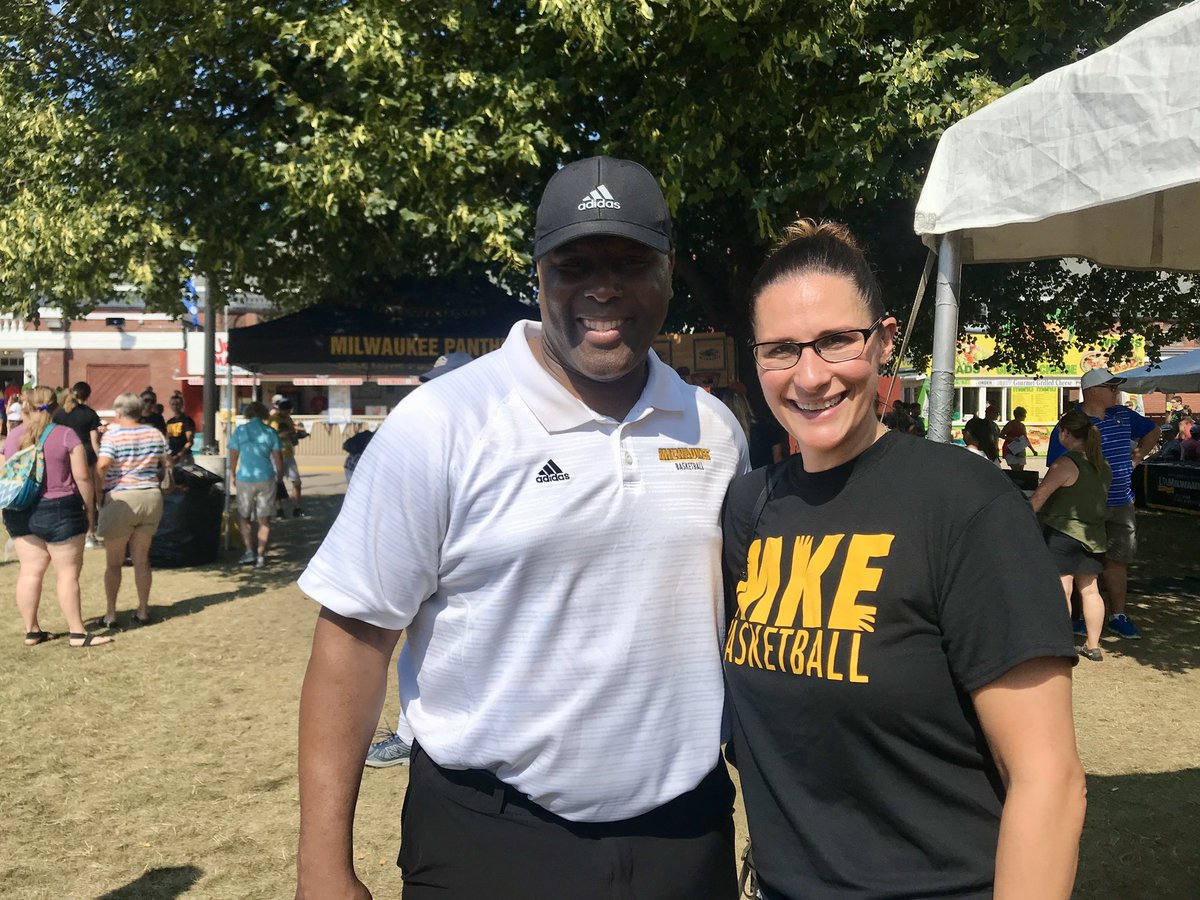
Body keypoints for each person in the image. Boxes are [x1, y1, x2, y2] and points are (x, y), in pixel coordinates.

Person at [295, 155, 749, 899]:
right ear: (539, 275)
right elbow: (353, 642)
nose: (603, 288)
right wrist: (323, 868)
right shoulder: (443, 423)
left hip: (683, 839)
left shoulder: (714, 429)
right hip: (491, 843)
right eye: (576, 265)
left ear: (669, 273)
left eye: (630, 262)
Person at [723, 219, 1084, 899]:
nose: (810, 375)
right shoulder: (748, 509)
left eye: (836, 341)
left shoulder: (964, 505)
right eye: (780, 350)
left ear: (884, 341)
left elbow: (1051, 782)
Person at [1047, 368, 1158, 639]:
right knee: (1078, 564)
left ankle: (1118, 615)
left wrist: (1137, 457)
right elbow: (1056, 466)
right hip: (1083, 508)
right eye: (1111, 387)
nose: (1116, 392)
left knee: (1117, 560)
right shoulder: (1072, 423)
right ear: (1093, 391)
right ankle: (1078, 618)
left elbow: (1153, 431)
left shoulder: (1123, 415)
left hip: (1121, 501)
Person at [2, 387, 110, 648]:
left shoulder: (13, 436)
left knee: (29, 571)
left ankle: (32, 630)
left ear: (25, 406)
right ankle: (76, 632)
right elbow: (83, 477)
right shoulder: (65, 435)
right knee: (67, 574)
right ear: (56, 407)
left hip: (20, 511)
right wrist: (89, 510)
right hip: (61, 508)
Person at [1030, 411, 1113, 662]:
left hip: (1062, 533)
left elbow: (1038, 499)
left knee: (1062, 589)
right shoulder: (1102, 464)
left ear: (1065, 433)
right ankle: (1093, 645)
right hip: (1094, 534)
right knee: (1090, 590)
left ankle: (1061, 643)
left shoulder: (1065, 464)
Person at [95, 391, 169, 628]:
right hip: (150, 496)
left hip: (122, 497)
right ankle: (143, 610)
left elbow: (103, 464)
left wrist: (99, 491)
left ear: (117, 412)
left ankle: (110, 614)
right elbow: (166, 463)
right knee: (142, 559)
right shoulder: (154, 433)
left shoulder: (113, 436)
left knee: (114, 562)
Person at [228, 401, 283, 568]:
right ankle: (260, 555)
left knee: (244, 516)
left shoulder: (240, 431)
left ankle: (249, 551)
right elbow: (278, 459)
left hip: (245, 477)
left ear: (248, 414)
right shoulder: (270, 432)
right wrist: (279, 476)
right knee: (264, 519)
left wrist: (232, 474)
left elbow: (234, 455)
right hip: (266, 476)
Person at [54, 381, 103, 548]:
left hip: (64, 455)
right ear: (88, 395)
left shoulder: (59, 414)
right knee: (89, 497)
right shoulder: (90, 414)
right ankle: (90, 533)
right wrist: (101, 459)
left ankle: (66, 529)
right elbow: (94, 441)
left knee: (66, 492)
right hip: (86, 455)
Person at [268, 396, 308, 517]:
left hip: (289, 454)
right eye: (285, 410)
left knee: (297, 482)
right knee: (277, 483)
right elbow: (273, 436)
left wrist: (298, 436)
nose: (287, 412)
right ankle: (279, 509)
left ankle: (297, 507)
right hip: (275, 454)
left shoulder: (289, 419)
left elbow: (292, 438)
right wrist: (290, 433)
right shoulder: (273, 420)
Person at [1000, 406, 1038, 470]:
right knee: (1015, 469)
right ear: (1019, 415)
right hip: (1010, 449)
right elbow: (1001, 435)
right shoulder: (1010, 424)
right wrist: (1012, 439)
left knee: (1020, 470)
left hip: (1020, 449)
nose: (1025, 417)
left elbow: (1025, 439)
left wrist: (1033, 450)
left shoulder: (1022, 426)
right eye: (1024, 415)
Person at [164, 391, 196, 465]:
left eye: (177, 404)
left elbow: (190, 441)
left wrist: (179, 455)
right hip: (172, 456)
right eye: (173, 404)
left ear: (182, 405)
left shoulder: (187, 421)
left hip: (184, 457)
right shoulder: (169, 422)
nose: (175, 407)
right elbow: (167, 439)